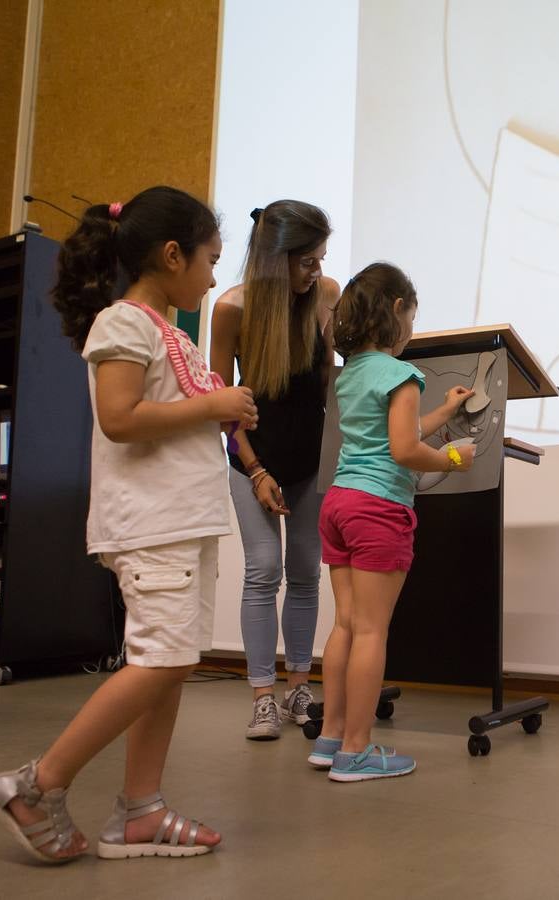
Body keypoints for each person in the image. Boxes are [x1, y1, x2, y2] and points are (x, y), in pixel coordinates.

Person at [0, 186, 255, 860]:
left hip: (184, 521)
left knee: (171, 662)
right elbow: (121, 417)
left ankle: (142, 808)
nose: (215, 276)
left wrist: (216, 407)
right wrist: (211, 403)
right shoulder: (124, 322)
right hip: (150, 525)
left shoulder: (170, 333)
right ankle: (37, 785)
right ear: (170, 255)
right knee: (160, 659)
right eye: (210, 260)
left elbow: (169, 411)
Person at [309, 262, 475, 781]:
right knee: (373, 632)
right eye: (412, 317)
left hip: (339, 503)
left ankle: (331, 738)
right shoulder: (403, 374)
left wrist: (443, 414)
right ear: (398, 310)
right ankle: (357, 752)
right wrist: (452, 459)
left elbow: (388, 435)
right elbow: (404, 450)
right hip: (380, 508)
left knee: (345, 625)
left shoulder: (354, 372)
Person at [210, 201, 337, 740]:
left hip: (309, 464)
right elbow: (219, 406)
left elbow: (329, 384)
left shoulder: (325, 296)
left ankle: (300, 687)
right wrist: (257, 471)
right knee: (263, 571)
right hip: (250, 461)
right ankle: (263, 695)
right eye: (307, 261)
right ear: (274, 259)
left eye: (320, 260)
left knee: (306, 572)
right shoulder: (231, 308)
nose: (317, 272)